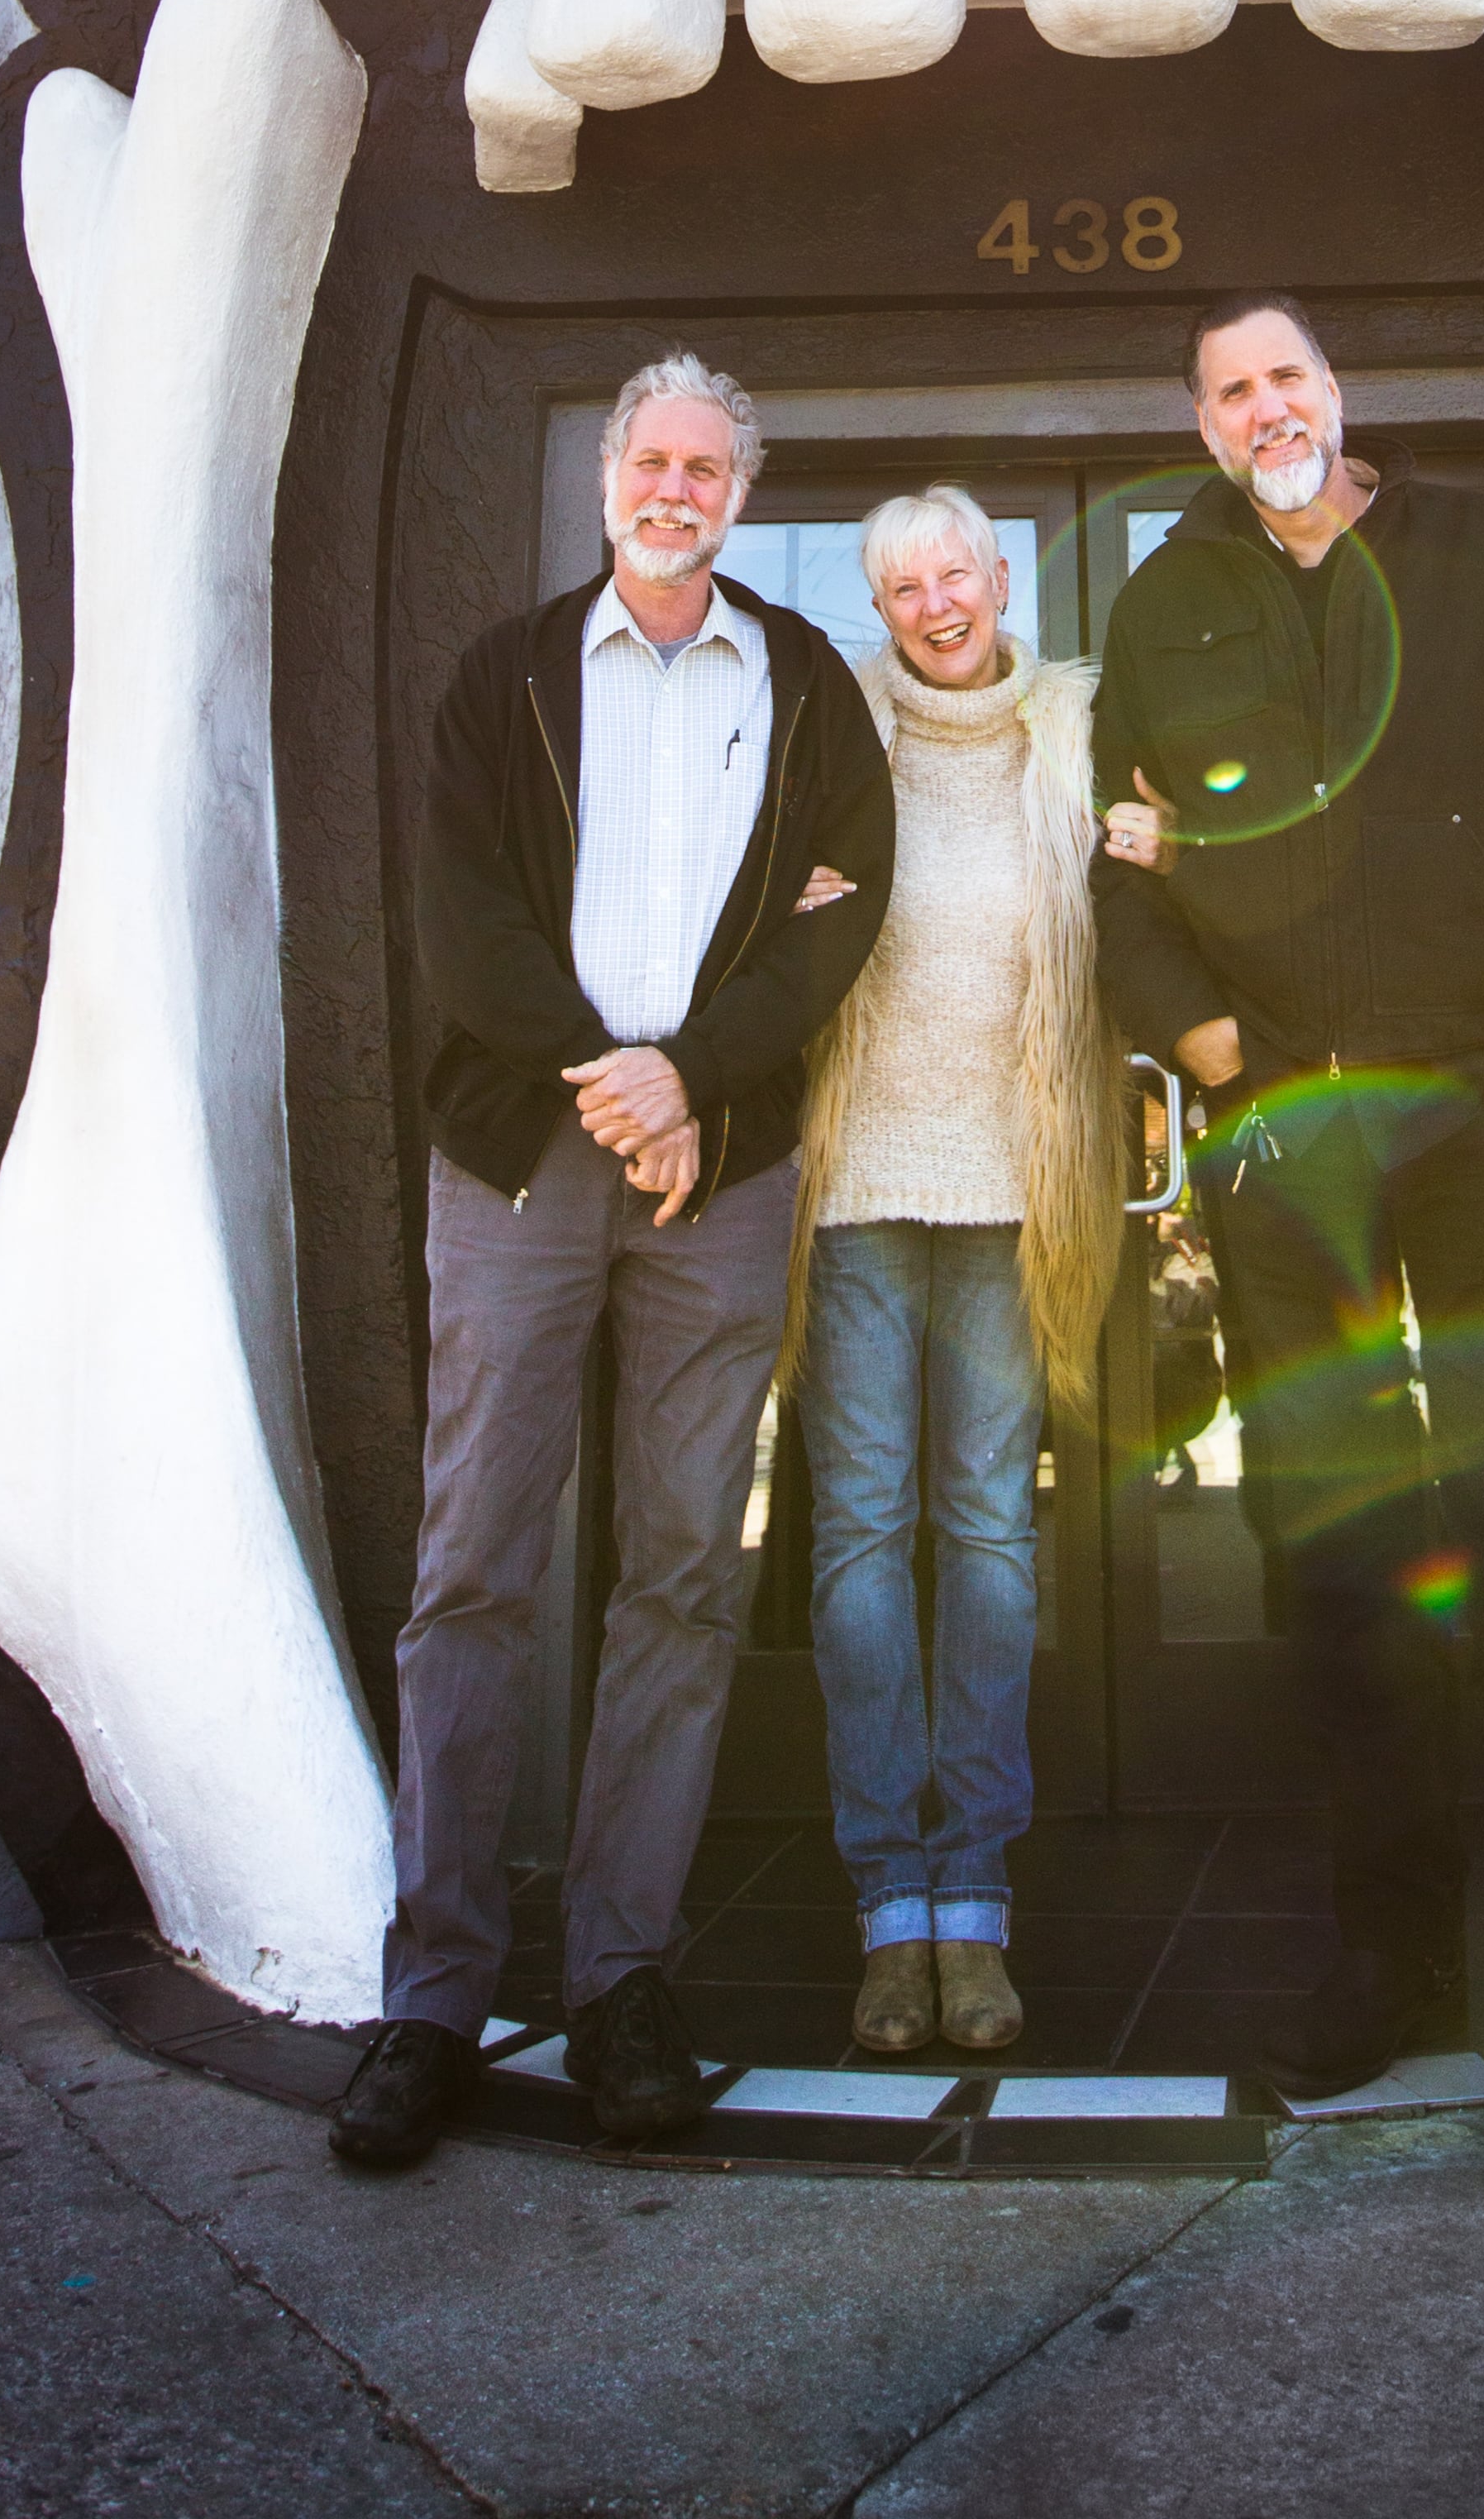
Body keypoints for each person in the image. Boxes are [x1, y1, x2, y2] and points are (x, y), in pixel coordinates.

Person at [1092, 293, 1484, 2187]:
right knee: (1332, 1542)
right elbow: (1128, 862)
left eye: (1289, 377)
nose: (1268, 407)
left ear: (1338, 398)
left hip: (1474, 1109)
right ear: (1204, 426)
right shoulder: (1165, 603)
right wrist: (1212, 1045)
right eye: (1232, 389)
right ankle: (1393, 1959)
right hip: (1281, 1139)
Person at [332, 354, 895, 2170]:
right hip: (521, 1163)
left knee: (681, 1576)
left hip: (714, 1177)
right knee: (473, 1566)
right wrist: (612, 1083)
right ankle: (435, 1994)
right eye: (651, 459)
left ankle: (625, 1977)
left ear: (742, 491)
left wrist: (693, 1082)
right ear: (607, 482)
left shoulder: (806, 687)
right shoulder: (502, 679)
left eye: (708, 465)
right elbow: (465, 918)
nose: (676, 486)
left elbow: (843, 912)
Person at [785, 488, 1121, 2059]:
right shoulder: (831, 734)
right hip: (859, 1186)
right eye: (903, 583)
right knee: (860, 1538)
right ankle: (886, 1902)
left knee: (988, 1536)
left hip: (1008, 1190)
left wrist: (1165, 836)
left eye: (957, 572)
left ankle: (973, 1904)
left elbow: (1163, 869)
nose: (937, 602)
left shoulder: (1077, 728)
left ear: (1003, 577)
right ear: (880, 604)